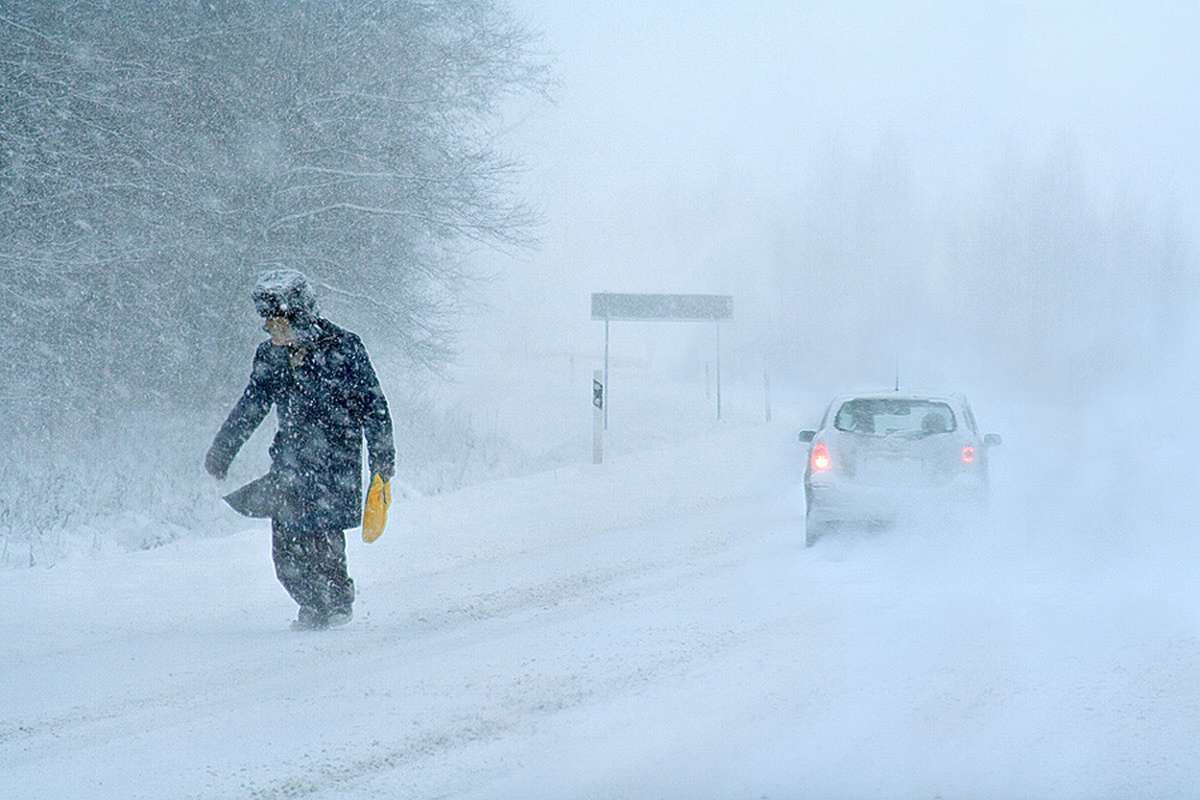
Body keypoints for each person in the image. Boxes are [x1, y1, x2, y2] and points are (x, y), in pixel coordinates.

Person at [205, 269, 394, 630]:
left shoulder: (345, 348)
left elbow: (375, 408)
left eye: (277, 321)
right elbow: (252, 405)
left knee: (322, 539)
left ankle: (336, 603)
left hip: (335, 464)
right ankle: (310, 604)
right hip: (289, 464)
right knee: (286, 551)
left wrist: (382, 463)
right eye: (267, 322)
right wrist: (223, 450)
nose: (270, 329)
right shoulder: (270, 356)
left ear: (300, 315)